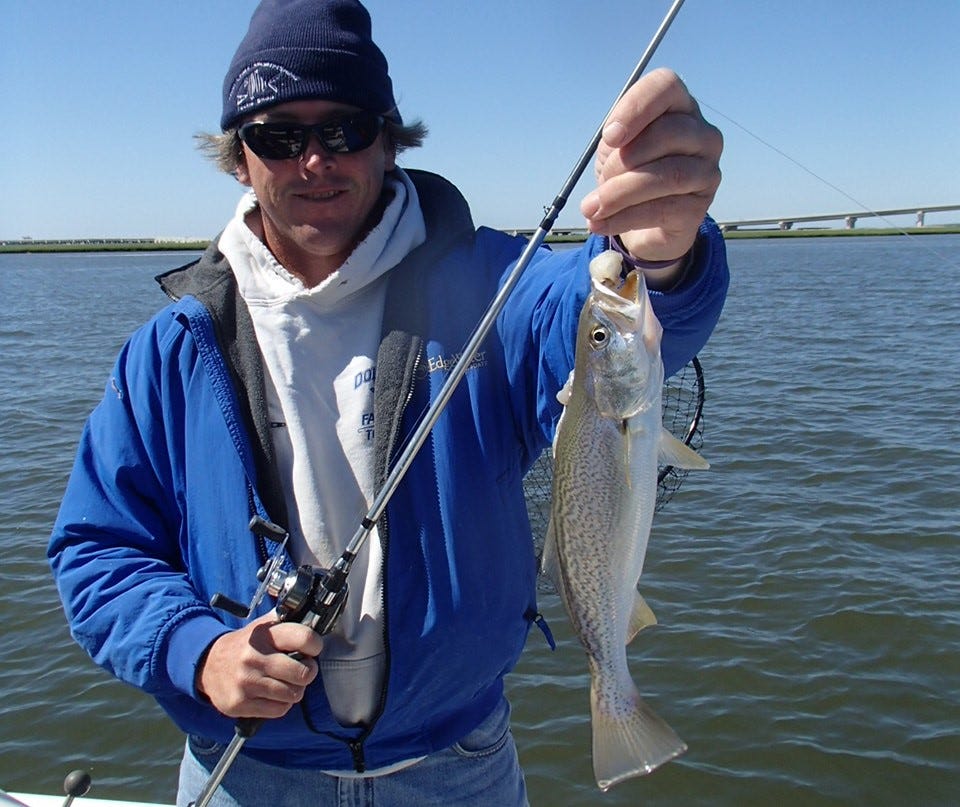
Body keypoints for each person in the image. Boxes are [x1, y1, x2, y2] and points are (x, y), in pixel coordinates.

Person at [48, 1, 728, 804]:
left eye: (344, 129)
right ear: (238, 157)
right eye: (278, 135)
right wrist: (198, 651)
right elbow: (96, 551)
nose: (313, 161)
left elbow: (590, 315)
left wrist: (660, 252)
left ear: (388, 138)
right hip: (246, 771)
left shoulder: (489, 289)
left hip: (457, 765)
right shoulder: (170, 351)